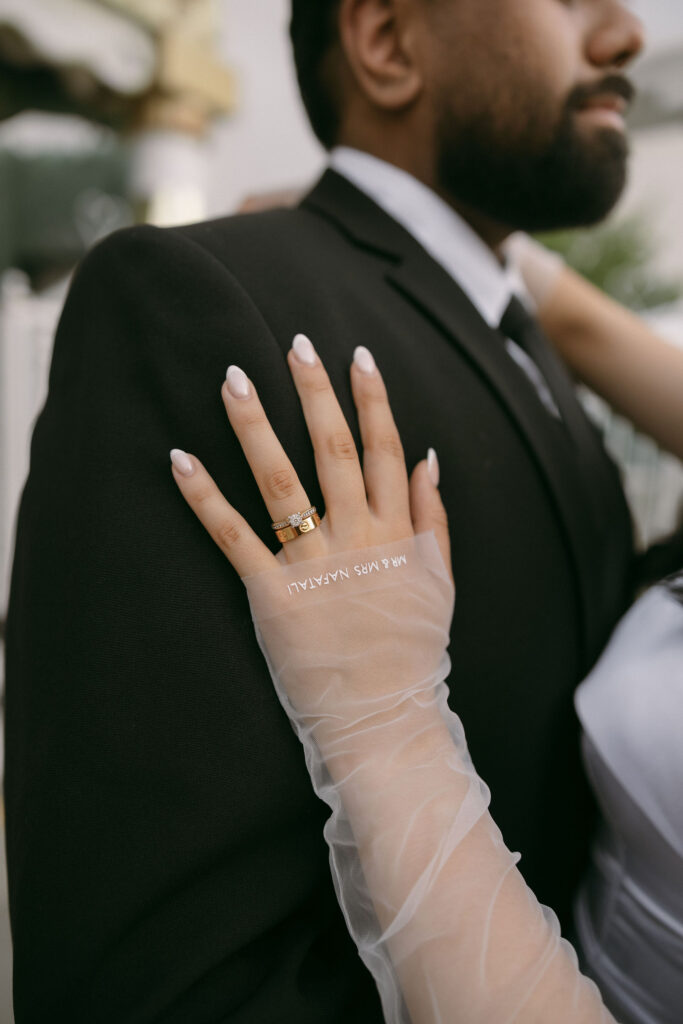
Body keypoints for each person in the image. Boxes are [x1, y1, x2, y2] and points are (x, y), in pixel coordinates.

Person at [3, 0, 663, 1020]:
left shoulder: (531, 346)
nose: (624, 36)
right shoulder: (204, 299)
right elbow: (162, 976)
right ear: (389, 44)